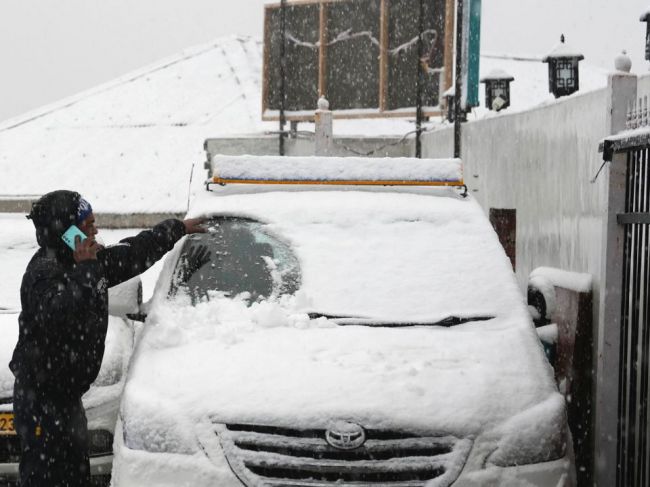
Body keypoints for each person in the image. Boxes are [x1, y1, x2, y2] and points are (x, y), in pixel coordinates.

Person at [9, 190, 204, 487]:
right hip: (42, 404)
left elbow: (133, 253)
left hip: (66, 400)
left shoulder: (86, 262)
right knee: (45, 479)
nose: (95, 230)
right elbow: (59, 312)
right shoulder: (43, 273)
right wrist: (87, 269)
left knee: (74, 477)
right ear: (68, 233)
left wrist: (177, 228)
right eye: (88, 225)